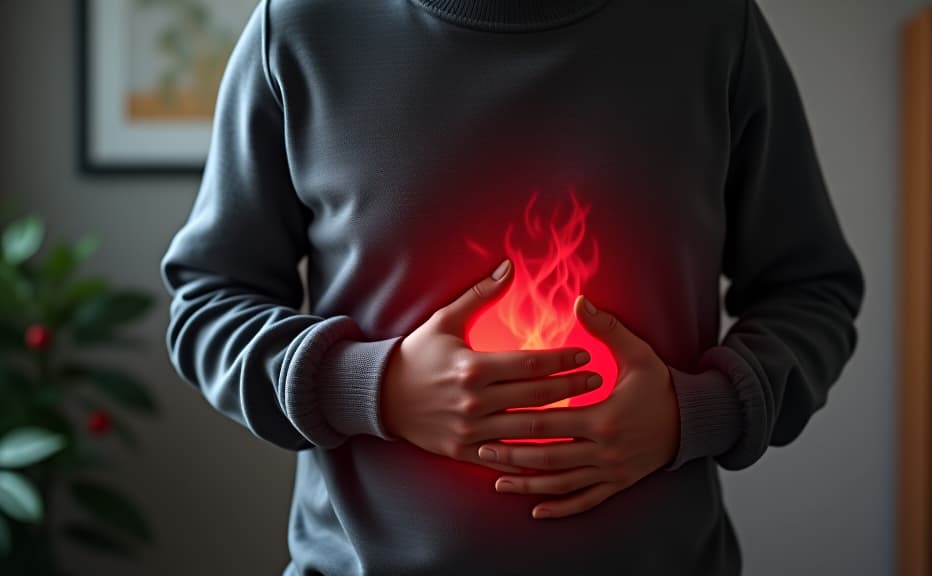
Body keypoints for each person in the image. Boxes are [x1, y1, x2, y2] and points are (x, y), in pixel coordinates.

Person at [160, 0, 865, 574]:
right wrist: (374, 387)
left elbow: (811, 290)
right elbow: (209, 304)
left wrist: (695, 412)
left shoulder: (712, 26)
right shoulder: (303, 26)